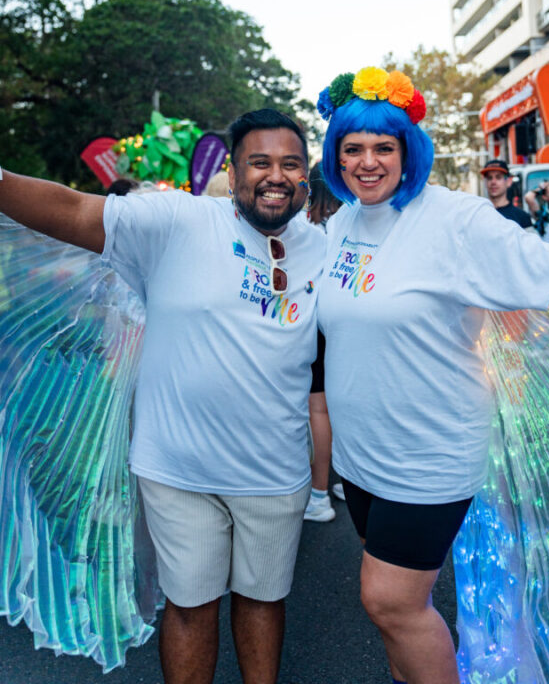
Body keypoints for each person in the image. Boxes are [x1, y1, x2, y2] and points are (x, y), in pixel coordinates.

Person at [314, 65, 549, 684]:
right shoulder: (341, 225)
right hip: (362, 457)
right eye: (353, 149)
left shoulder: (455, 220)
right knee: (400, 612)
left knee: (390, 601)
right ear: (336, 156)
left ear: (410, 152)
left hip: (430, 451)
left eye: (385, 147)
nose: (368, 162)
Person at [0, 108, 325, 684]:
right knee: (191, 604)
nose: (275, 175)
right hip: (178, 469)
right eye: (259, 162)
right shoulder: (176, 219)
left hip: (275, 471)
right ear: (233, 170)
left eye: (290, 163)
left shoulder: (324, 249)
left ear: (305, 175)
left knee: (263, 599)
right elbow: (75, 209)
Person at [304, 163, 343, 522]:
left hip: (313, 326)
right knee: (345, 405)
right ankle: (348, 480)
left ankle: (318, 495)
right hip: (349, 325)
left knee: (319, 410)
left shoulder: (308, 229)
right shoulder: (354, 225)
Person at [480, 158, 532, 228]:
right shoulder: (480, 215)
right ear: (485, 182)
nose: (493, 182)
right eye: (489, 178)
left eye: (498, 177)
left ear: (508, 182)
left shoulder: (522, 217)